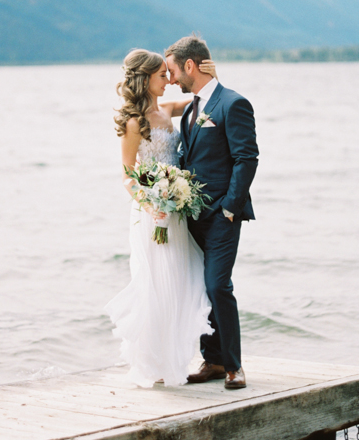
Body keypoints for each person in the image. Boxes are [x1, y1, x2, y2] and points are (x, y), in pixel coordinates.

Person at [104, 49, 219, 387]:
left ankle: (177, 358)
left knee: (185, 282)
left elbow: (205, 100)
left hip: (177, 210)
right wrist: (149, 200)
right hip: (151, 214)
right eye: (161, 76)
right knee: (156, 286)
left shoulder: (167, 110)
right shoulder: (133, 123)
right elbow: (127, 175)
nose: (169, 81)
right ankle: (153, 364)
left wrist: (213, 76)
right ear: (144, 79)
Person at [165, 35, 258, 390]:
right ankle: (213, 360)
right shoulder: (191, 108)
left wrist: (231, 208)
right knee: (199, 287)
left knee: (218, 285)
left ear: (190, 65)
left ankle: (234, 366)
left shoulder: (233, 104)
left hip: (222, 215)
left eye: (173, 70)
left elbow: (246, 158)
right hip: (190, 217)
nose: (170, 78)